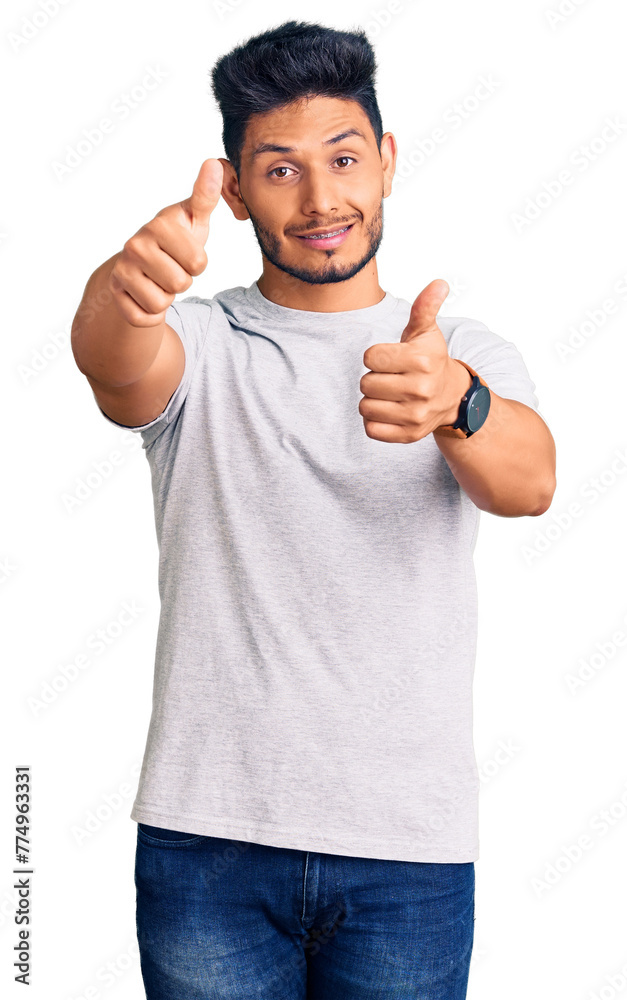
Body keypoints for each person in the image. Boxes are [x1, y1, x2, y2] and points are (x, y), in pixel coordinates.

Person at [70, 19, 556, 1000]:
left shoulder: (459, 345)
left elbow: (530, 482)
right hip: (209, 842)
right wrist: (124, 293)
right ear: (238, 189)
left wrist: (455, 401)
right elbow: (119, 370)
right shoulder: (202, 344)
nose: (322, 198)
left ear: (384, 160)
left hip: (407, 850)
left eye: (342, 158)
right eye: (281, 170)